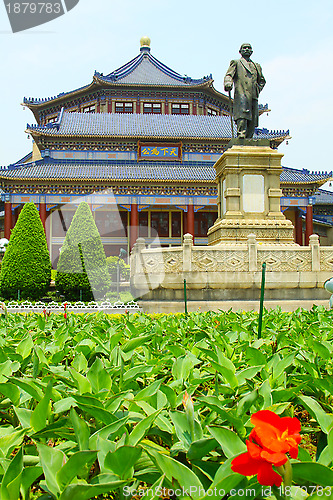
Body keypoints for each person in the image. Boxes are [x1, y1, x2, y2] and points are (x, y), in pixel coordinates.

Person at [224, 43, 266, 139]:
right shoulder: (236, 63)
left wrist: (257, 89)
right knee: (243, 115)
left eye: (249, 48)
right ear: (240, 51)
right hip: (242, 92)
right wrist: (228, 83)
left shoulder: (257, 66)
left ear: (252, 51)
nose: (246, 49)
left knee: (253, 117)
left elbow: (262, 81)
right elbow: (229, 75)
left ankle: (249, 137)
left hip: (253, 95)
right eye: (244, 48)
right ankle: (241, 135)